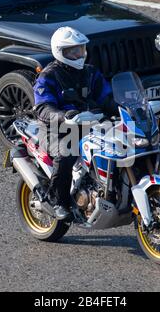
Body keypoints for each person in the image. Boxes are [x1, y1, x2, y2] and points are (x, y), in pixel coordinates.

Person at [33, 26, 118, 220]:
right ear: (60, 51)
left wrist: (125, 108)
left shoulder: (90, 72)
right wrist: (64, 116)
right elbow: (43, 108)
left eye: (80, 49)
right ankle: (57, 201)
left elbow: (106, 98)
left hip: (89, 124)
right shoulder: (48, 76)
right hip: (56, 129)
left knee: (122, 144)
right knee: (66, 153)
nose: (78, 54)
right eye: (72, 50)